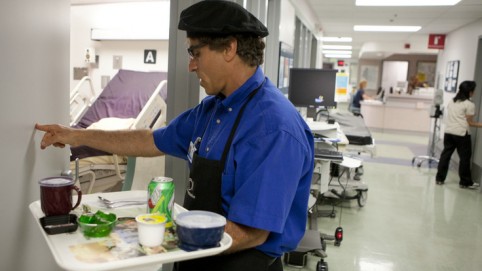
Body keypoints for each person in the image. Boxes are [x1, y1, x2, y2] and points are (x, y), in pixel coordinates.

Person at [35, 1, 314, 271]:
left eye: (196, 53)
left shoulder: (273, 128)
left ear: (229, 48)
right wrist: (76, 135)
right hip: (198, 254)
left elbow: (251, 232)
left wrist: (141, 241)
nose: (191, 65)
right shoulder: (212, 110)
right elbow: (149, 140)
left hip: (241, 261)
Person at [435, 80, 482, 189]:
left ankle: (439, 179)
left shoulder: (452, 101)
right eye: (473, 91)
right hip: (461, 134)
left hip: (449, 132)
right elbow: (470, 123)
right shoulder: (469, 104)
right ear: (469, 92)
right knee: (465, 158)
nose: (474, 93)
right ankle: (465, 182)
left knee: (445, 156)